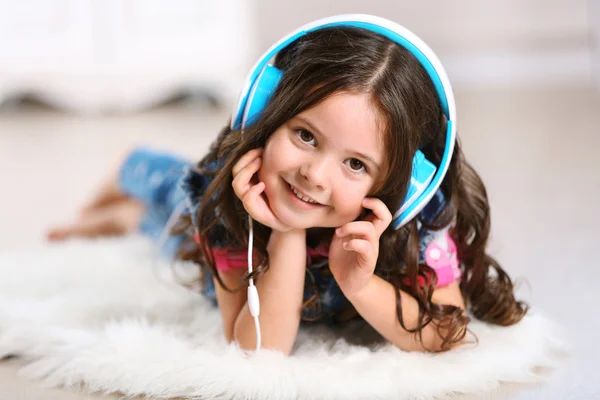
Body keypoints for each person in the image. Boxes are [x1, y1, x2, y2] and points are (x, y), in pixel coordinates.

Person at [48, 15, 528, 355]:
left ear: (402, 187)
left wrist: (359, 284)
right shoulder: (225, 202)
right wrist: (288, 230)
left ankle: (124, 219)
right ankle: (124, 169)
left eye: (356, 165)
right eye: (305, 135)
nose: (314, 175)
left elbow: (446, 334)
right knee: (169, 198)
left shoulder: (419, 219)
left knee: (159, 232)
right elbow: (257, 347)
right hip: (227, 213)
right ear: (264, 112)